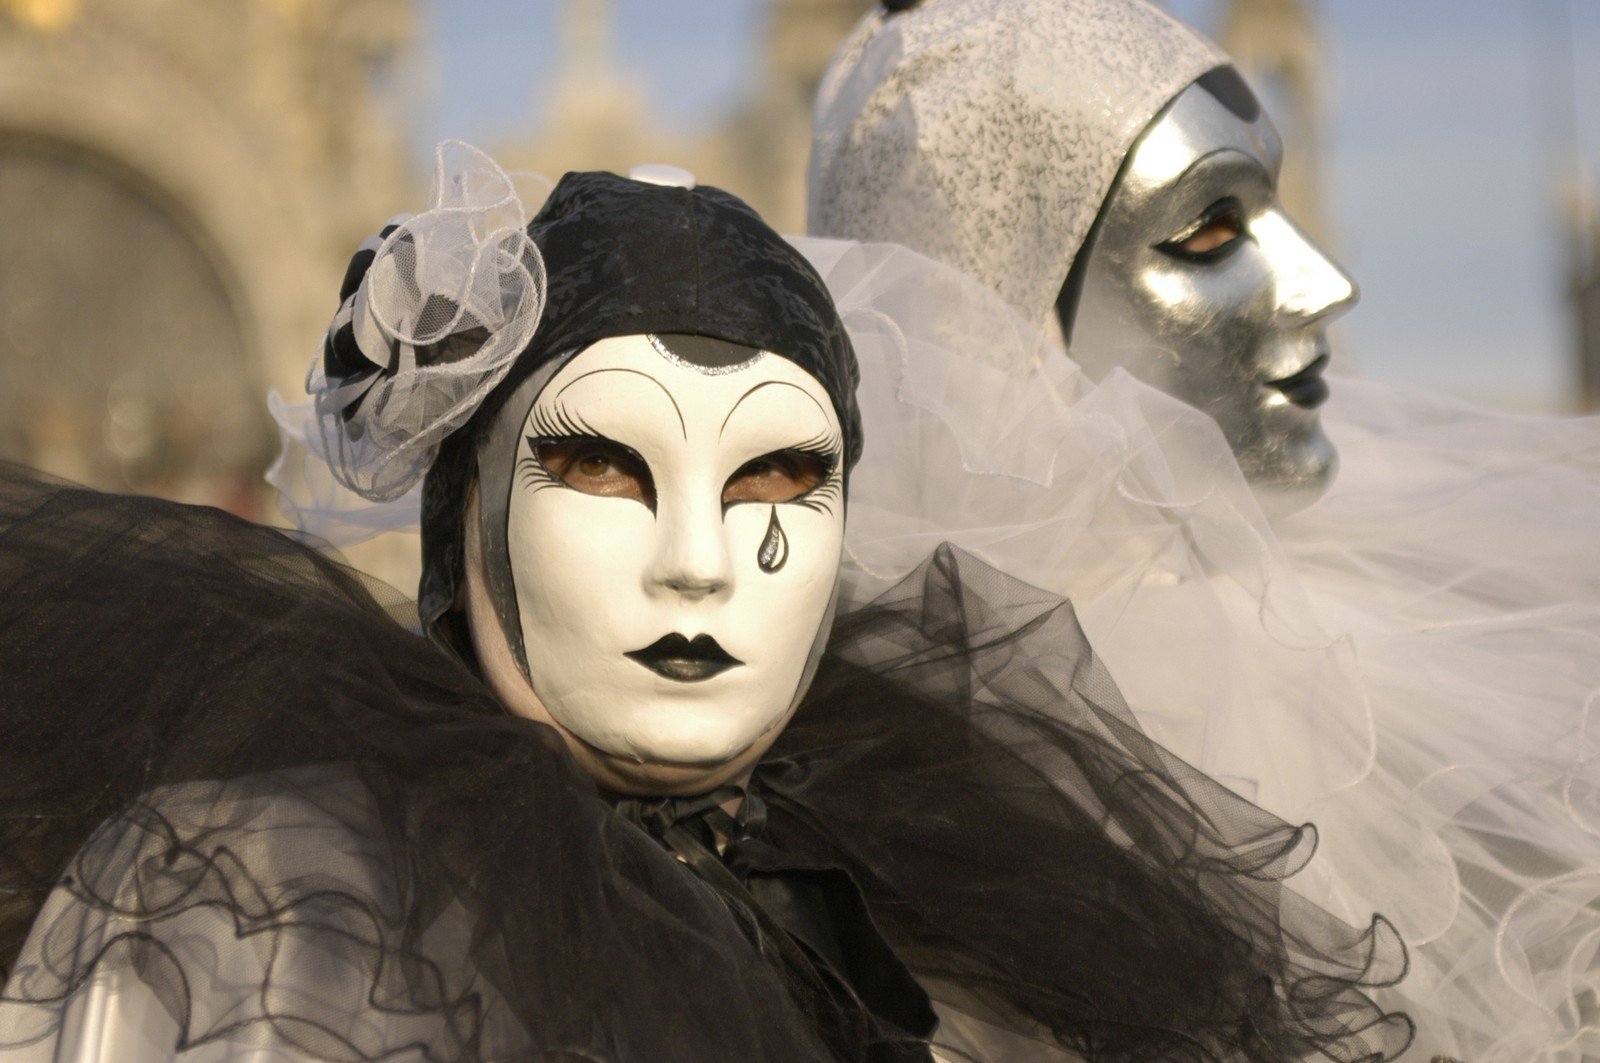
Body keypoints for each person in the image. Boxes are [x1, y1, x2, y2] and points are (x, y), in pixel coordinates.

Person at [0, 146, 1410, 1060]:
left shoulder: (955, 930)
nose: (698, 560)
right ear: (464, 515)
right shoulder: (263, 904)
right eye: (603, 466)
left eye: (781, 478)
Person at [808, 2, 1600, 1060]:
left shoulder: (1385, 677)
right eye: (1209, 229)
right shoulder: (871, 788)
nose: (1328, 287)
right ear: (987, 314)